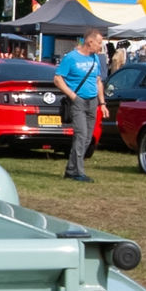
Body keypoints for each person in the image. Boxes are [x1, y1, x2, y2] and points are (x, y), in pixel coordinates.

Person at [53, 29, 105, 182]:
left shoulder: (95, 59)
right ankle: (78, 172)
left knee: (87, 137)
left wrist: (102, 103)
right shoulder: (71, 58)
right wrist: (73, 96)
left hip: (92, 101)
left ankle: (71, 169)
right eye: (99, 42)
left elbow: (98, 81)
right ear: (90, 42)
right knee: (81, 135)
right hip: (78, 102)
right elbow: (58, 79)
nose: (100, 46)